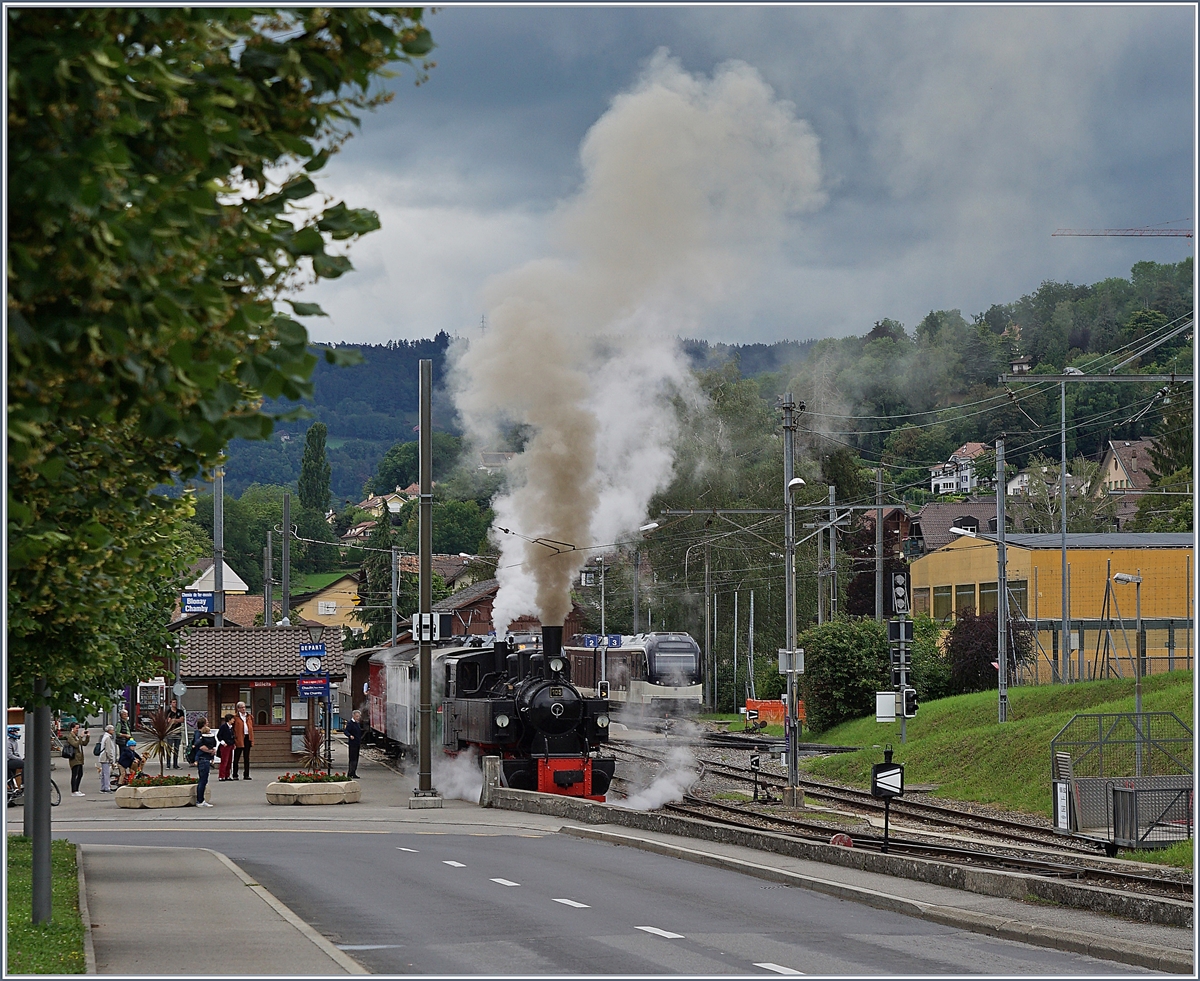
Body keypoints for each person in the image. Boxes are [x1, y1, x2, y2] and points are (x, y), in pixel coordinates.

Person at [192, 717, 217, 806]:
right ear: (203, 724)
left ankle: (201, 800)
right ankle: (200, 801)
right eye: (207, 722)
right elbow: (201, 747)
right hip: (203, 759)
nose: (208, 723)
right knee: (203, 780)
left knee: (204, 780)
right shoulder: (199, 734)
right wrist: (211, 751)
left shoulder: (204, 734)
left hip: (205, 759)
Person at [66, 722, 90, 796]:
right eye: (76, 728)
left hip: (79, 758)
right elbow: (76, 744)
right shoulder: (70, 736)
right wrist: (81, 737)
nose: (77, 730)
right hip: (74, 758)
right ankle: (74, 790)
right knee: (75, 774)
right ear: (72, 728)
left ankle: (77, 789)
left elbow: (83, 743)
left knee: (80, 774)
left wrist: (87, 737)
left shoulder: (76, 736)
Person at [232, 700, 253, 780]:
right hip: (239, 738)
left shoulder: (249, 716)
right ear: (238, 708)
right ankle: (235, 774)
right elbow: (233, 728)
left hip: (247, 737)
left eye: (244, 707)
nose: (243, 709)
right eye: (241, 707)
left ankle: (246, 774)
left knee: (246, 757)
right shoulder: (235, 717)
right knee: (237, 757)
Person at [165, 698, 186, 769]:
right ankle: (168, 764)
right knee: (169, 749)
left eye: (176, 702)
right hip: (170, 732)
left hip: (178, 732)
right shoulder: (168, 712)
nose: (175, 704)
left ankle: (175, 764)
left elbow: (182, 720)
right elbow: (168, 721)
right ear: (171, 703)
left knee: (176, 749)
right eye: (173, 702)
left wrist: (174, 720)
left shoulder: (180, 711)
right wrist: (175, 720)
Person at [97, 725, 118, 792]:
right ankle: (106, 787)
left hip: (103, 757)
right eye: (112, 730)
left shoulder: (105, 737)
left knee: (104, 773)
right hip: (105, 758)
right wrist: (111, 759)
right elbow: (108, 750)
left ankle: (103, 787)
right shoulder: (108, 738)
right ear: (109, 730)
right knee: (107, 773)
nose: (113, 731)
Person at [344, 710, 363, 780]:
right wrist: (350, 735)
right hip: (352, 743)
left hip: (357, 743)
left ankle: (353, 772)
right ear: (353, 716)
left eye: (359, 716)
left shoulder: (357, 723)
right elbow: (346, 731)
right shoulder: (350, 723)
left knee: (356, 758)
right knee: (352, 758)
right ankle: (350, 772)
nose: (358, 718)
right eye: (357, 716)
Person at [216, 713, 235, 781]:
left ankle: (227, 775)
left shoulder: (231, 727)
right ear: (229, 719)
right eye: (232, 719)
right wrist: (223, 742)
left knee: (229, 761)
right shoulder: (223, 727)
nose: (234, 720)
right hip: (225, 746)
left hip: (230, 745)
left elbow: (233, 736)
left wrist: (233, 744)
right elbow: (219, 735)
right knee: (224, 761)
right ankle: (221, 776)